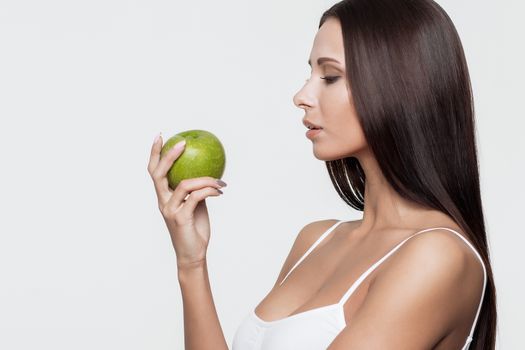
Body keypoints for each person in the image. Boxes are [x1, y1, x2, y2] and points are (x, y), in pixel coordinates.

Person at [147, 0, 497, 349]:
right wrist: (191, 263)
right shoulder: (315, 240)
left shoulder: (438, 256)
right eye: (310, 74)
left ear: (400, 86)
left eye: (330, 76)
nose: (301, 96)